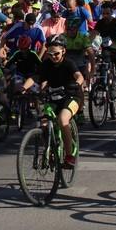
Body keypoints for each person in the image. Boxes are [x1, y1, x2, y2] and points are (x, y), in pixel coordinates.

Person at [23, 35, 84, 168]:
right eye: (50, 54)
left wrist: (77, 84)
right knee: (44, 124)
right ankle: (50, 149)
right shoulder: (46, 64)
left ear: (63, 51)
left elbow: (79, 76)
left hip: (71, 97)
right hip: (53, 98)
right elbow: (35, 77)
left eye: (56, 53)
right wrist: (23, 88)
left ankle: (69, 157)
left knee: (62, 120)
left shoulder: (69, 63)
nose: (53, 57)